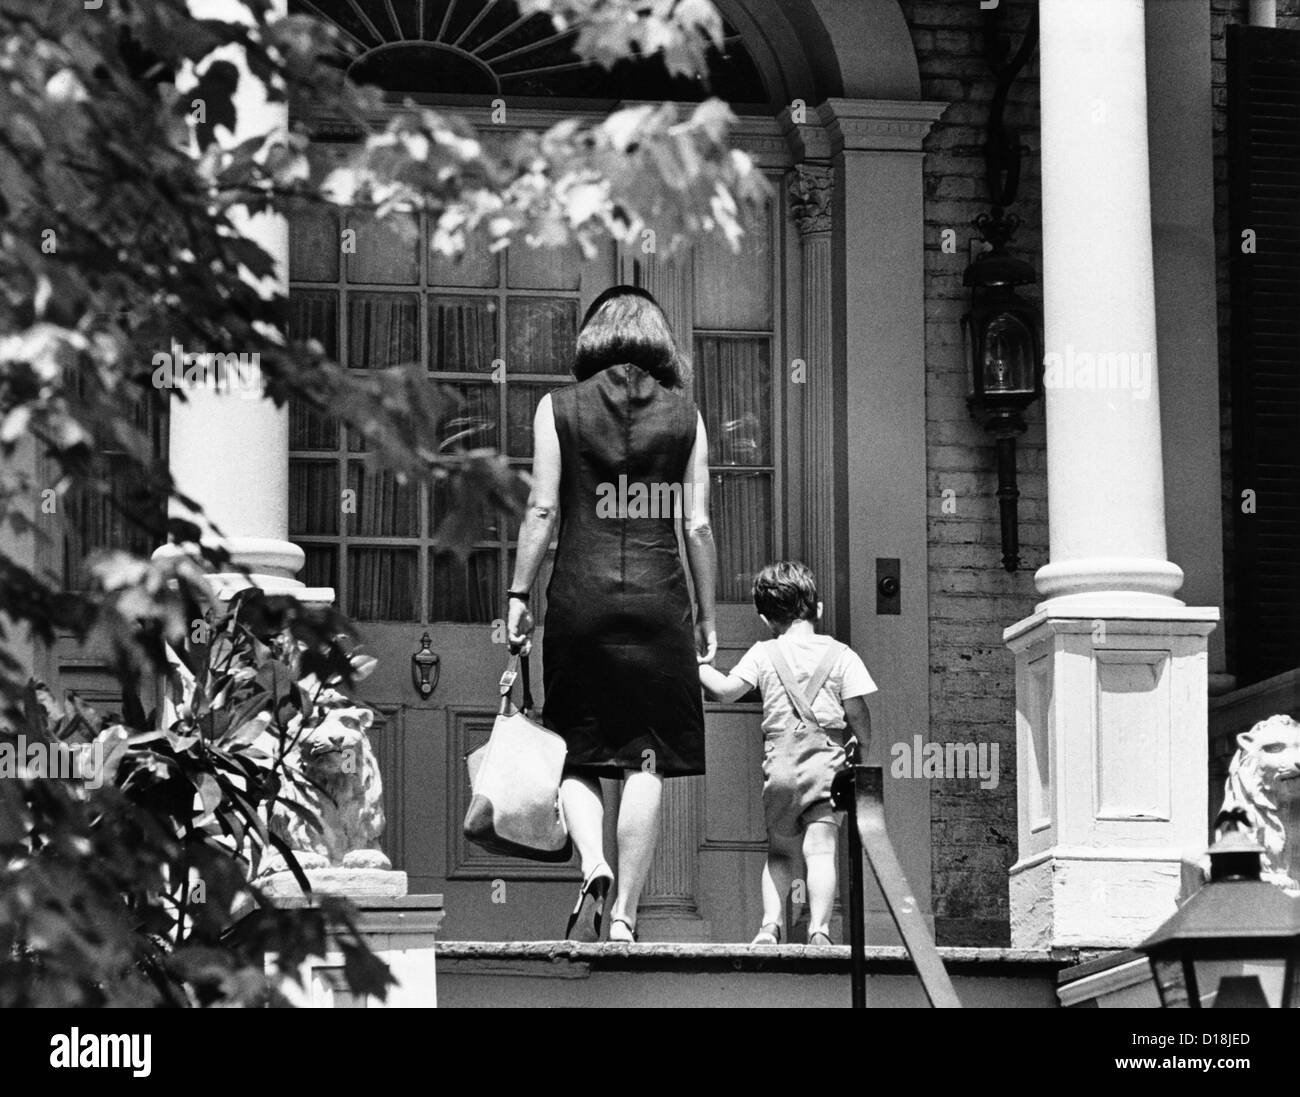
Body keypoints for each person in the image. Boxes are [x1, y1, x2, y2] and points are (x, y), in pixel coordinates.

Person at [507, 285, 717, 943]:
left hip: (580, 602)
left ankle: (592, 862)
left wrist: (518, 594)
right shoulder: (686, 417)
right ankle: (625, 912)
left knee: (573, 751)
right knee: (645, 760)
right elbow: (698, 525)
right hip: (660, 606)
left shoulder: (557, 408)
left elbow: (542, 510)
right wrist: (708, 613)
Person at [698, 561, 874, 945]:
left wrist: (693, 666)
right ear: (819, 608)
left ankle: (770, 927)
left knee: (779, 854)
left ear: (765, 618)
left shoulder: (764, 653)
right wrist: (863, 741)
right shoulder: (841, 654)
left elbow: (726, 691)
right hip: (827, 764)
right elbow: (857, 710)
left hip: (780, 766)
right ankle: (820, 930)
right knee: (821, 849)